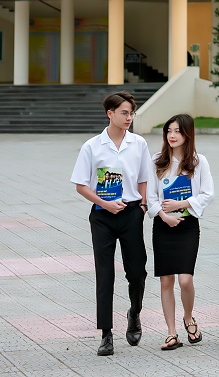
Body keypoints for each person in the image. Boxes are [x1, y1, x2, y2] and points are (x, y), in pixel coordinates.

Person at [70, 91, 152, 356]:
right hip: (102, 216)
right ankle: (106, 334)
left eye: (131, 113)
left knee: (137, 271)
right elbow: (81, 185)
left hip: (130, 213)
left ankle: (134, 312)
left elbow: (143, 179)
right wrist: (104, 204)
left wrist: (140, 206)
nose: (129, 118)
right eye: (124, 113)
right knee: (105, 274)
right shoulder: (92, 146)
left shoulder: (138, 144)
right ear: (110, 114)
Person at [147, 113, 214, 351]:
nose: (172, 135)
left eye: (177, 131)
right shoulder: (157, 160)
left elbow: (208, 193)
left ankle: (188, 317)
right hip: (163, 226)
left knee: (185, 279)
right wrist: (164, 215)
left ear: (187, 134)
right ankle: (171, 333)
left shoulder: (198, 161)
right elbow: (151, 196)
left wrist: (181, 205)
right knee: (166, 281)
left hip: (187, 226)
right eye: (169, 131)